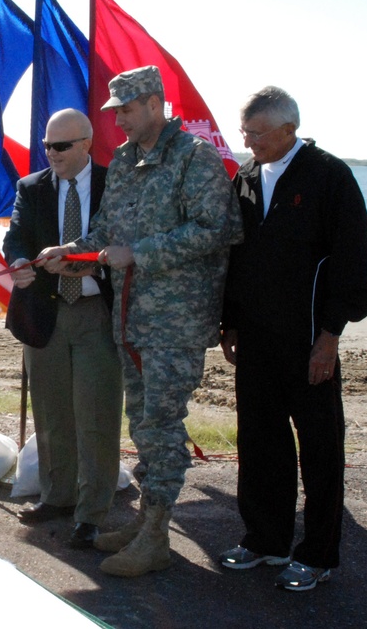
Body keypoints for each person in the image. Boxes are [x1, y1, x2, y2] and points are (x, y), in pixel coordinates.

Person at [41, 65, 242, 577]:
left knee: (161, 427)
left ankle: (155, 535)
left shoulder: (195, 158)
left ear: (156, 104)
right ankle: (145, 524)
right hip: (129, 317)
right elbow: (107, 231)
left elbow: (216, 230)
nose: (119, 121)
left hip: (175, 320)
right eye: (115, 112)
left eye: (127, 110)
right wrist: (73, 251)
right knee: (143, 424)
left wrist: (141, 254)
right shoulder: (126, 161)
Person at [217, 87, 367, 592]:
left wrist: (330, 336)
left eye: (257, 133)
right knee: (260, 445)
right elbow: (235, 259)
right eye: (245, 133)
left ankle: (319, 553)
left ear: (290, 129)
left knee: (321, 451)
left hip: (310, 343)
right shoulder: (244, 178)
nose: (250, 142)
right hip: (257, 343)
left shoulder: (329, 177)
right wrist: (229, 323)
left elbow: (352, 261)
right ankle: (265, 539)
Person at [3, 108, 123, 549]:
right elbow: (16, 237)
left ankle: (92, 513)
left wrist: (90, 265)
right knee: (52, 413)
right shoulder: (30, 188)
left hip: (97, 313)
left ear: (87, 143)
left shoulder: (115, 184)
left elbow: (123, 243)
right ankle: (58, 496)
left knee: (97, 415)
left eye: (61, 146)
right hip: (44, 313)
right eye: (47, 146)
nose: (51, 153)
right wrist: (17, 262)